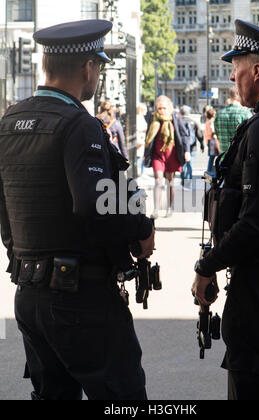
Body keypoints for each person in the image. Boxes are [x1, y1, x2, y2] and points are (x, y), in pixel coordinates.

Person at [0, 19, 155, 401]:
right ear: (88, 68)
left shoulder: (8, 123)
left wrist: (23, 256)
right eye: (99, 66)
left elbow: (4, 211)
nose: (98, 75)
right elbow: (93, 204)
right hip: (80, 297)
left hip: (29, 293)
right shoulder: (78, 124)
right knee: (124, 397)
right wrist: (141, 227)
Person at [192, 19, 259, 400]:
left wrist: (207, 267)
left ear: (257, 71)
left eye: (236, 68)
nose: (233, 77)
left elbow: (256, 223)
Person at [144, 95, 190, 218]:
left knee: (170, 181)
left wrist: (187, 151)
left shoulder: (175, 117)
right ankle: (156, 209)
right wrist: (145, 153)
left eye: (164, 108)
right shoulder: (153, 118)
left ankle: (170, 207)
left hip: (172, 154)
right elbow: (148, 136)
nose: (162, 111)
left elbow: (185, 135)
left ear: (169, 107)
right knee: (158, 180)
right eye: (159, 108)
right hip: (157, 155)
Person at [214, 87, 252, 154]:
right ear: (240, 95)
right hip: (240, 160)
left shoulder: (219, 114)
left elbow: (217, 139)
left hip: (223, 158)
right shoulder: (246, 113)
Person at [204, 108, 220, 174]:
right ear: (213, 115)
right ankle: (215, 171)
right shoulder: (211, 122)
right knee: (218, 156)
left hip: (209, 140)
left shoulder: (207, 121)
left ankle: (209, 170)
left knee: (212, 157)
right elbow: (213, 131)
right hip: (213, 141)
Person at [136, 103, 147, 177]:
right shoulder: (139, 118)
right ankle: (137, 172)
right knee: (138, 157)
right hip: (140, 140)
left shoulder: (141, 117)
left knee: (140, 156)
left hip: (141, 139)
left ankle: (140, 172)